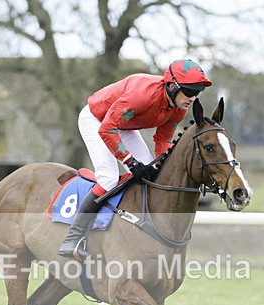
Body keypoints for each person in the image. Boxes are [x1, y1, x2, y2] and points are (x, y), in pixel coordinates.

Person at [58, 59, 212, 259]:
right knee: (108, 178)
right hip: (97, 119)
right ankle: (72, 238)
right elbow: (106, 128)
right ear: (172, 86)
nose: (192, 98)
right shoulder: (142, 96)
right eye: (190, 91)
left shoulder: (179, 108)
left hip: (123, 125)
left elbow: (162, 139)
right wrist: (130, 162)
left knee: (152, 173)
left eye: (197, 92)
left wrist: (161, 164)